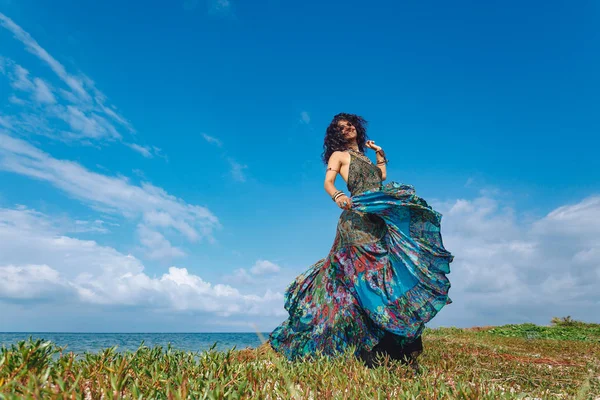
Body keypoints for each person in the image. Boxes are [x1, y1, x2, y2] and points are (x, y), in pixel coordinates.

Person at [269, 112, 453, 369]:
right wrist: (339, 197)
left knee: (386, 277)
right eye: (341, 128)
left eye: (350, 125)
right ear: (337, 135)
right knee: (363, 280)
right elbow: (327, 182)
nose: (347, 130)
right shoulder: (339, 156)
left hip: (377, 220)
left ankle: (395, 347)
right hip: (355, 223)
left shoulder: (365, 158)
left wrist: (379, 153)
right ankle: (370, 351)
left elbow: (381, 178)